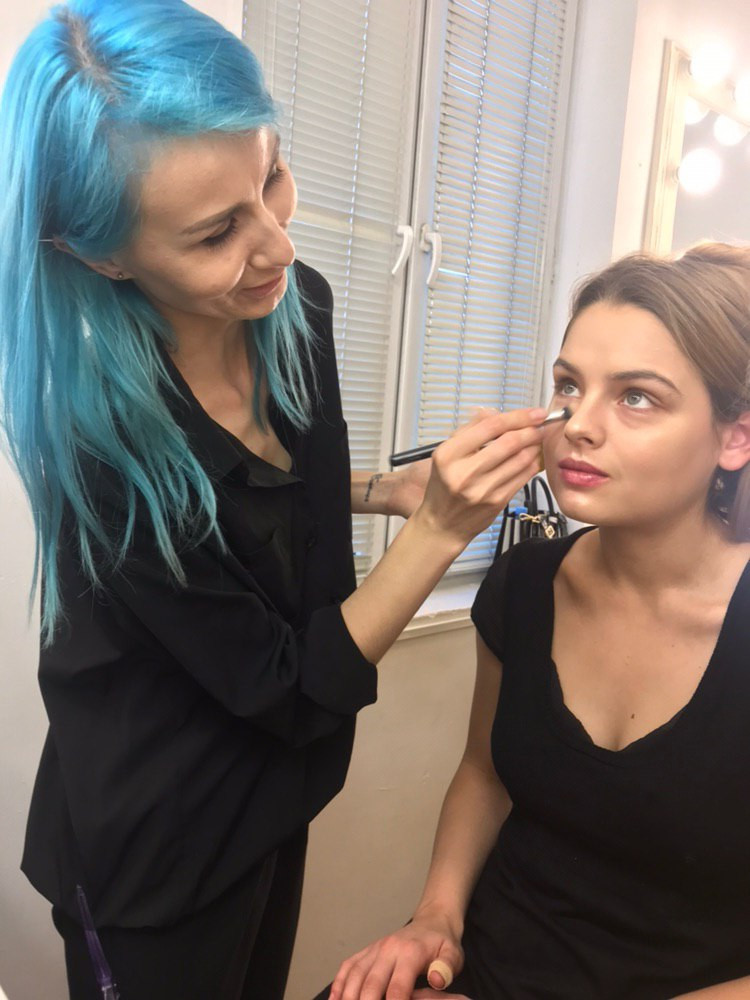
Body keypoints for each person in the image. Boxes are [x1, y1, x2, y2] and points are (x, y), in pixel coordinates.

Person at [0, 1, 550, 997]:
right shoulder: (105, 451)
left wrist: (385, 490)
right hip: (154, 851)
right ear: (100, 255)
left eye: (273, 178)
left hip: (275, 799)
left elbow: (255, 496)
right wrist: (439, 531)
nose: (278, 247)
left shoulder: (299, 309)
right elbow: (289, 682)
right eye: (218, 233)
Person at [327, 243, 750, 1000]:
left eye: (637, 397)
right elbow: (485, 773)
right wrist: (436, 917)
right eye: (568, 386)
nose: (578, 425)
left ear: (735, 437)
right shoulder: (524, 583)